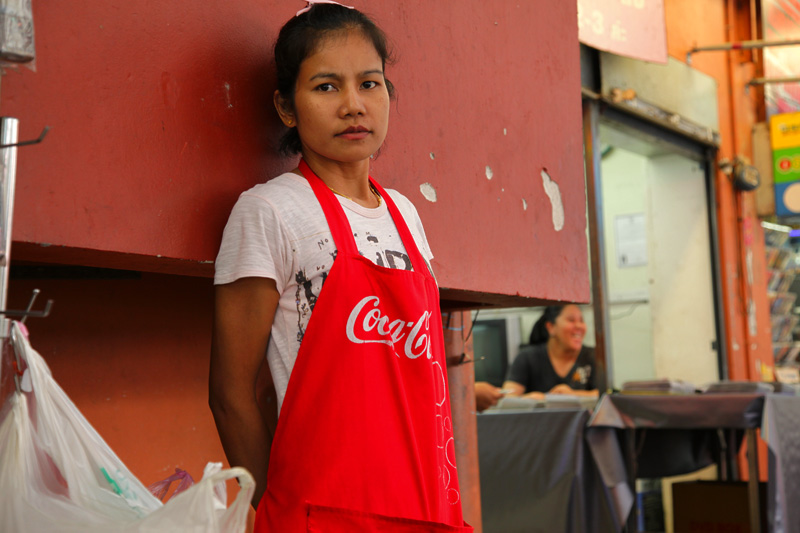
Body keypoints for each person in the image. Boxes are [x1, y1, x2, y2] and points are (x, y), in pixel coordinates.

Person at [208, 2, 472, 531]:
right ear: (286, 107)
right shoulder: (270, 212)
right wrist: (279, 508)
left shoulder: (407, 216)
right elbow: (231, 392)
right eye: (326, 87)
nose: (353, 105)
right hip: (320, 513)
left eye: (369, 84)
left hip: (425, 510)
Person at [502, 305, 599, 400]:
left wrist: (572, 395)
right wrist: (529, 399)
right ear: (551, 327)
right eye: (571, 320)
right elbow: (507, 397)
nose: (579, 326)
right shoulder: (527, 357)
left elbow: (606, 394)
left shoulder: (595, 356)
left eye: (581, 320)